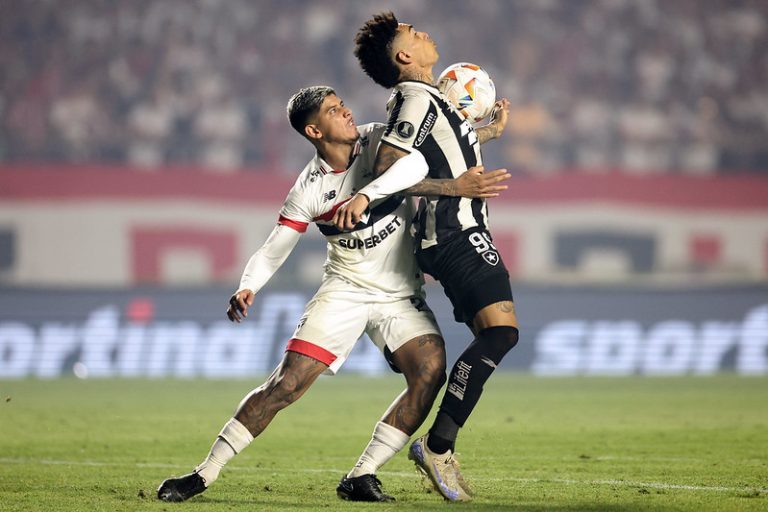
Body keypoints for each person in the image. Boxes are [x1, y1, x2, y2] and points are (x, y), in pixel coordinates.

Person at [156, 86, 511, 503]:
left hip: (400, 294)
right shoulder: (308, 189)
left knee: (430, 371)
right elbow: (275, 246)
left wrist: (481, 135)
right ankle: (203, 474)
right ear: (314, 130)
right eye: (331, 110)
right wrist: (248, 284)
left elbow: (419, 158)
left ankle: (362, 475)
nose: (344, 111)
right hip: (345, 289)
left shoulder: (381, 138)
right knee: (286, 384)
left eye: (341, 103)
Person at [336, 12, 519, 502]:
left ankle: (438, 445)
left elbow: (441, 150)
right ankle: (438, 447)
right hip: (452, 230)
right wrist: (454, 187)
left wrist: (487, 134)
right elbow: (387, 172)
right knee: (500, 333)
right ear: (403, 56)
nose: (422, 32)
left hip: (463, 229)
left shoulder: (429, 98)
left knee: (496, 335)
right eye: (411, 34)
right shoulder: (416, 98)